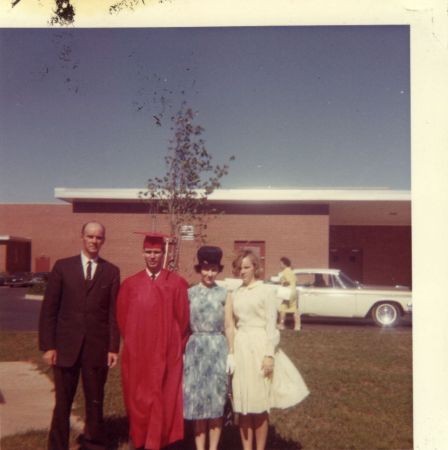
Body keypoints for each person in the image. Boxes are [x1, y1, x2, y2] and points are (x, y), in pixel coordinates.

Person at [38, 221, 120, 450]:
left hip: (96, 348)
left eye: (99, 237)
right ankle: (57, 446)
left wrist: (113, 348)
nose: (94, 241)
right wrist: (49, 346)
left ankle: (93, 444)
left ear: (103, 240)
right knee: (62, 403)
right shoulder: (62, 267)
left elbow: (113, 314)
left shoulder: (111, 271)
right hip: (65, 347)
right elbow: (49, 310)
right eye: (90, 236)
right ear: (82, 237)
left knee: (95, 403)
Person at [226, 250, 309, 450]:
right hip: (241, 348)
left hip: (261, 346)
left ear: (255, 268)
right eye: (239, 268)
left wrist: (269, 354)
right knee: (244, 406)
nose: (242, 271)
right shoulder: (236, 293)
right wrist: (231, 353)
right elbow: (232, 325)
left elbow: (271, 325)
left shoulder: (266, 291)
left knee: (260, 404)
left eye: (247, 267)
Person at [116, 232, 190, 450]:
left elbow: (184, 321)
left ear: (163, 253)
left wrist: (176, 348)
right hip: (139, 354)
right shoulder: (130, 285)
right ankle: (140, 439)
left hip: (168, 353)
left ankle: (162, 441)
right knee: (138, 398)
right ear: (142, 253)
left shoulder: (177, 284)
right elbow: (122, 320)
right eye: (148, 252)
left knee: (164, 397)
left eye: (157, 252)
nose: (153, 256)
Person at [183, 246, 232, 450]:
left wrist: (232, 353)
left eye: (214, 269)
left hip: (217, 349)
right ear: (199, 269)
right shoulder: (190, 293)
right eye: (206, 269)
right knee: (197, 402)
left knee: (216, 401)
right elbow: (184, 325)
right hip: (196, 349)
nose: (210, 273)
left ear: (218, 270)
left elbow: (229, 324)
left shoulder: (224, 293)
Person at [277, 257, 301, 331]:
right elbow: (296, 281)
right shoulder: (291, 271)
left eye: (281, 264)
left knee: (282, 308)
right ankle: (297, 326)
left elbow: (287, 282)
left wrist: (283, 283)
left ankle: (281, 324)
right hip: (294, 291)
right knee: (294, 309)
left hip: (288, 292)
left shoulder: (285, 272)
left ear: (284, 264)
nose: (280, 265)